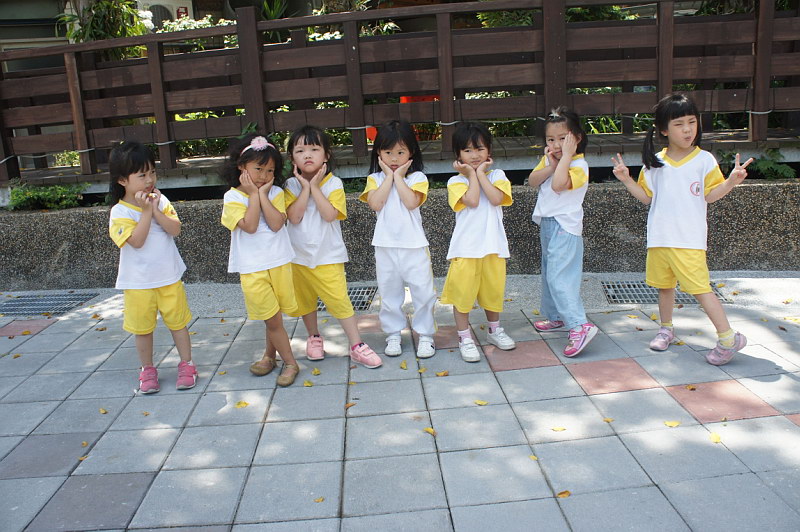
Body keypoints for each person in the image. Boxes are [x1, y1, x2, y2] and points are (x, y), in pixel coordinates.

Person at [612, 93, 752, 365]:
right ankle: (666, 329)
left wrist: (731, 182)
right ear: (664, 130)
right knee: (664, 287)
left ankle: (728, 338)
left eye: (692, 122)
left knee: (701, 289)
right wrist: (627, 180)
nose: (688, 129)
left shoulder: (704, 160)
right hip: (659, 239)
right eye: (679, 124)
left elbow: (710, 195)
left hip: (689, 240)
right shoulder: (655, 162)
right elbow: (647, 198)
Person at [284, 125, 383, 368]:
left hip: (328, 255)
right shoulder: (290, 185)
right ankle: (314, 337)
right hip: (297, 256)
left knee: (339, 300)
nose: (307, 155)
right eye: (300, 151)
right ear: (292, 158)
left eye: (314, 149)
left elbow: (330, 215)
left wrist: (314, 187)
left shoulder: (334, 183)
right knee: (305, 301)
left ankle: (356, 344)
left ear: (326, 155)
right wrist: (305, 187)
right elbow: (294, 217)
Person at [107, 141, 196, 393]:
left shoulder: (160, 199)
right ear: (122, 180)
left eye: (152, 173)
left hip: (169, 277)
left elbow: (175, 229)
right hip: (138, 283)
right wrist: (146, 212)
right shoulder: (119, 212)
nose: (149, 180)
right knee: (143, 329)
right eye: (142, 175)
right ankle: (147, 369)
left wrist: (155, 209)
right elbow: (136, 241)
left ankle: (187, 364)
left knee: (178, 323)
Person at [220, 134, 300, 386]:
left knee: (274, 316)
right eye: (258, 169)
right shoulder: (232, 197)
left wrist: (262, 194)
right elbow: (250, 226)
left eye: (270, 170)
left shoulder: (275, 192)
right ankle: (291, 363)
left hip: (279, 262)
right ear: (241, 166)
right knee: (271, 318)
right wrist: (254, 196)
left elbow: (276, 224)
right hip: (252, 268)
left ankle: (269, 356)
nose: (264, 176)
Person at [359, 120, 437, 358]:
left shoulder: (417, 177)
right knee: (389, 292)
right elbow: (375, 203)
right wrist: (388, 177)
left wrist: (399, 177)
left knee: (423, 292)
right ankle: (393, 334)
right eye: (388, 152)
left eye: (401, 152)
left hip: (414, 246)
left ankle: (426, 335)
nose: (394, 158)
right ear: (378, 153)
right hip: (385, 246)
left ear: (411, 153)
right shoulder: (375, 179)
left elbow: (412, 202)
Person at [440, 121, 517, 362]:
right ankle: (465, 337)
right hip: (466, 249)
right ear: (458, 155)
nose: (474, 155)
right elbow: (472, 201)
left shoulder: (498, 175)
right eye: (468, 150)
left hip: (494, 247)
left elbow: (496, 199)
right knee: (462, 296)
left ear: (489, 151)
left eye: (480, 149)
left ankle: (494, 331)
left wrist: (480, 174)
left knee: (493, 292)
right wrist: (472, 175)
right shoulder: (455, 181)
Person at [527, 107, 598, 357]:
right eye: (550, 139)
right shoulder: (551, 160)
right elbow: (533, 180)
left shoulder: (579, 165)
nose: (556, 145)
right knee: (549, 273)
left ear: (577, 138)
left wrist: (565, 157)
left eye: (563, 138)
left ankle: (579, 325)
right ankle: (556, 316)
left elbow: (558, 185)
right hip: (548, 223)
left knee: (560, 277)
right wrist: (552, 164)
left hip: (565, 226)